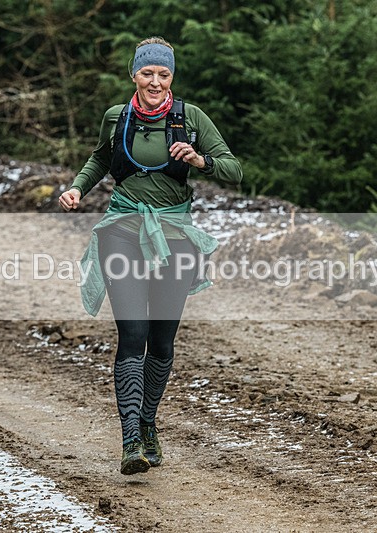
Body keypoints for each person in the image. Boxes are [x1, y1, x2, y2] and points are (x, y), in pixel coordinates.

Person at [59, 36, 243, 475]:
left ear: (171, 76)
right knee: (133, 334)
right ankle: (130, 442)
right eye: (147, 73)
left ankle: (147, 422)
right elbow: (100, 159)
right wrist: (77, 188)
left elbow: (234, 170)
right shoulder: (116, 117)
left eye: (163, 74)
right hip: (122, 232)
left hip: (174, 238)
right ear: (134, 75)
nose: (155, 82)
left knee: (161, 342)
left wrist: (199, 160)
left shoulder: (191, 118)